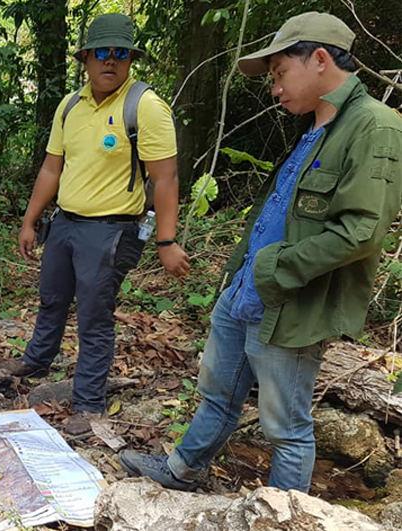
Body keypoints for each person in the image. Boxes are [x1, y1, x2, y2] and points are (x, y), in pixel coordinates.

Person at [118, 12, 402, 493]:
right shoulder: (316, 128)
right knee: (216, 393)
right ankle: (182, 471)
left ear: (318, 59)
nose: (275, 89)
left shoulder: (375, 126)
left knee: (285, 427)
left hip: (291, 304)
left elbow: (360, 232)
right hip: (247, 291)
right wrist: (242, 275)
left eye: (279, 74)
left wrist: (272, 269)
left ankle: (282, 515)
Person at [0, 13, 190, 436]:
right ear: (85, 57)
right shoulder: (70, 105)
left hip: (111, 229)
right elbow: (52, 167)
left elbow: (165, 178)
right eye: (102, 53)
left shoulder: (144, 107)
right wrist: (30, 220)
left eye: (121, 54)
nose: (111, 62)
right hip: (65, 223)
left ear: (130, 60)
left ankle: (88, 403)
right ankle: (38, 358)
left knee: (93, 315)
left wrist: (166, 239)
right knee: (51, 298)